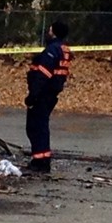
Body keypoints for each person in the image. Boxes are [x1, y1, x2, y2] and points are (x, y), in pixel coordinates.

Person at [25, 21, 72, 173]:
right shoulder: (62, 49)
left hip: (43, 94)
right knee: (40, 126)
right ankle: (41, 158)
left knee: (36, 127)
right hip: (50, 94)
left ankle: (40, 162)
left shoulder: (52, 50)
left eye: (50, 29)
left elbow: (43, 74)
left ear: (54, 32)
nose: (48, 31)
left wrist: (33, 95)